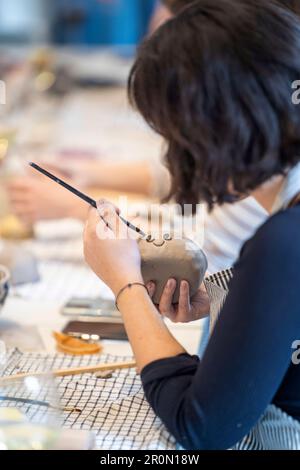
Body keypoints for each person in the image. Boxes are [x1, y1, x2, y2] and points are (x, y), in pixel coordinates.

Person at [83, 0, 300, 449]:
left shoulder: (283, 239)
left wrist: (127, 287)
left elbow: (203, 427)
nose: (170, 152)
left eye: (171, 132)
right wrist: (232, 299)